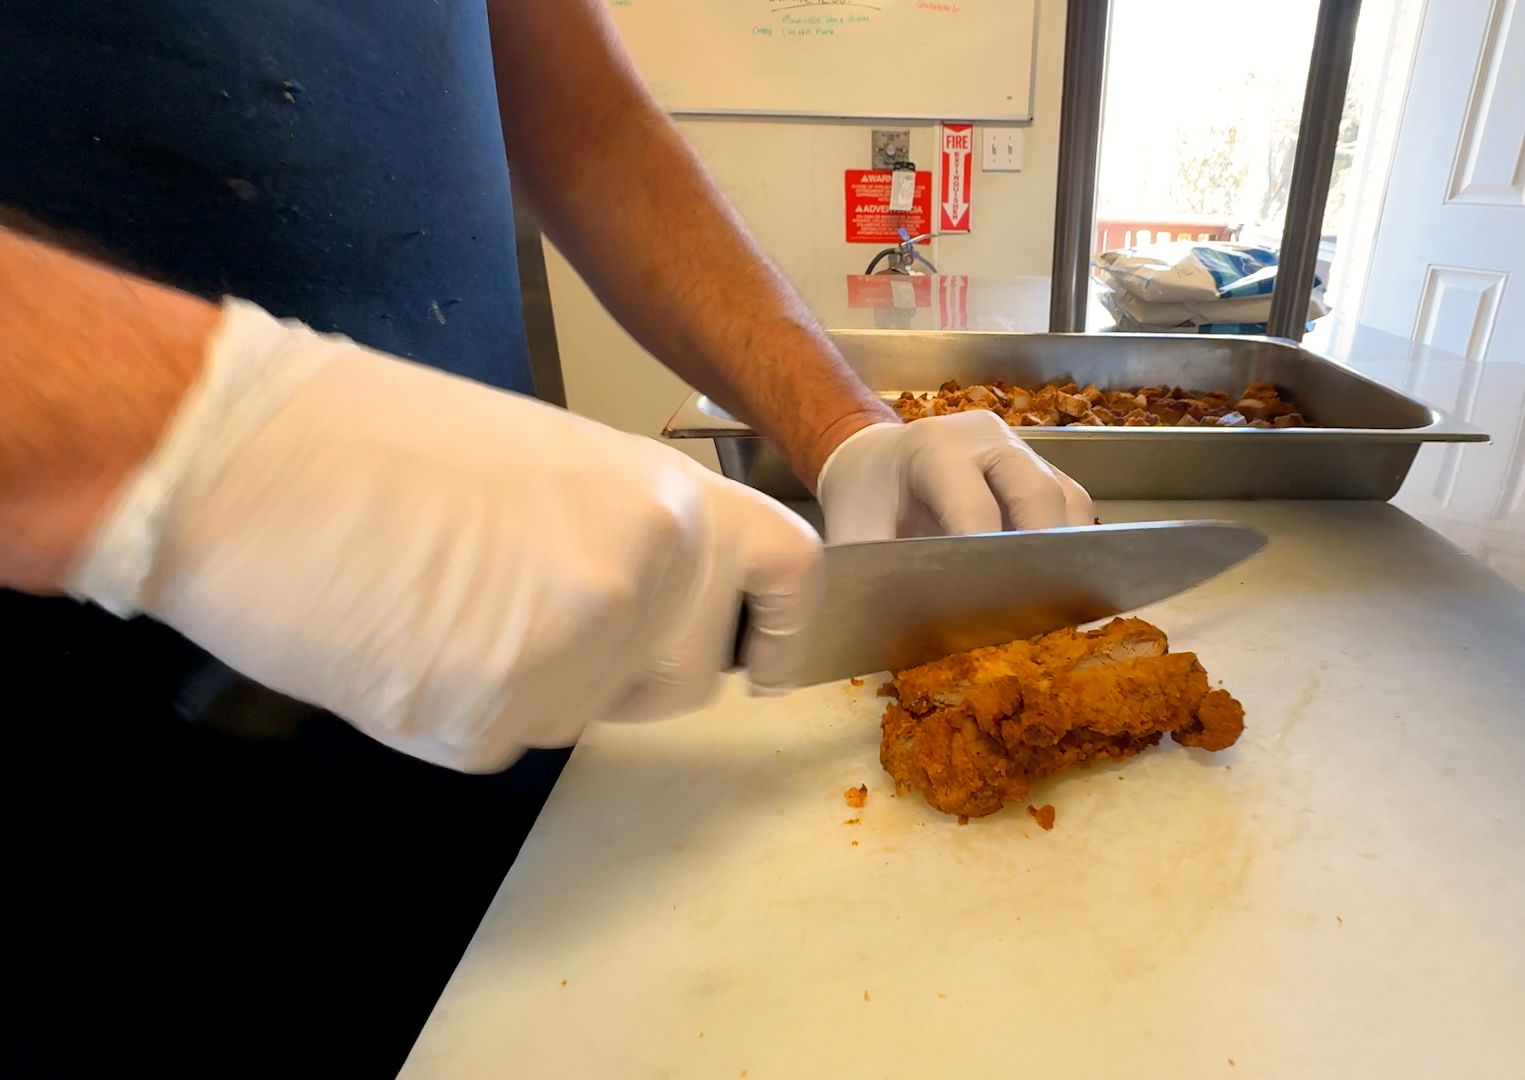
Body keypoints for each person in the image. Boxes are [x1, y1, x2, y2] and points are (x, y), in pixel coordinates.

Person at [0, 4, 1090, 1076]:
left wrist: (843, 429)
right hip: (86, 780)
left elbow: (588, 121)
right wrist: (206, 444)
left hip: (497, 714)